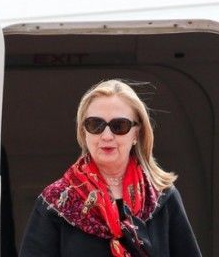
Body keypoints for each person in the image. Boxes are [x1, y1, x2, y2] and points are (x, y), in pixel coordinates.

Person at [19, 80, 202, 257]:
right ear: (84, 133)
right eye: (95, 125)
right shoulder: (56, 203)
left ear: (136, 134)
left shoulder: (162, 197)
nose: (107, 135)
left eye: (119, 126)